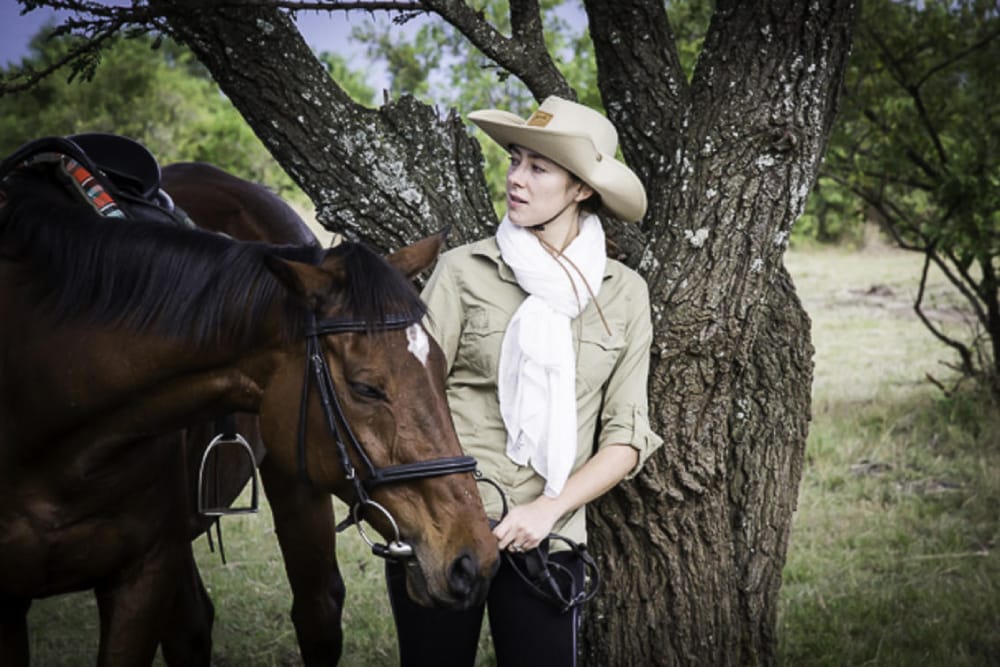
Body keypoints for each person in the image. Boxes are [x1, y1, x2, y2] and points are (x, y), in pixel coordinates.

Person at [385, 95, 663, 667]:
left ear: (581, 189)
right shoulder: (464, 271)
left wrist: (546, 511)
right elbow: (410, 405)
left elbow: (626, 438)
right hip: (446, 527)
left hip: (549, 537)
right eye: (515, 161)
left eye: (539, 168)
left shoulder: (623, 293)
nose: (516, 178)